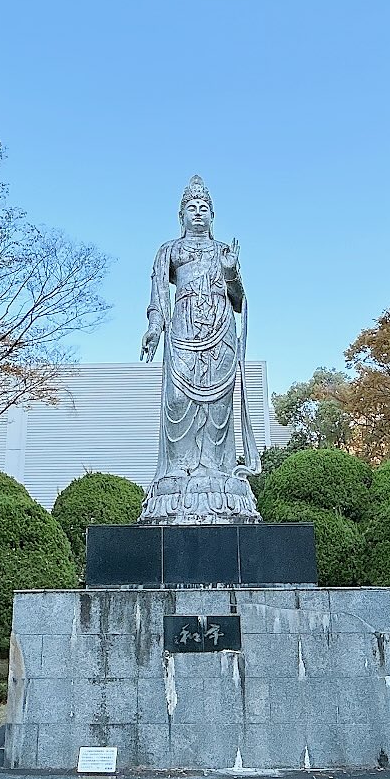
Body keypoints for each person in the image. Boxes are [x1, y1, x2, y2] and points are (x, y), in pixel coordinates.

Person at [138, 175, 261, 525]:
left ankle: (219, 471)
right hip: (183, 328)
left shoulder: (223, 250)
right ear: (181, 215)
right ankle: (178, 472)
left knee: (218, 406)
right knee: (179, 401)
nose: (197, 213)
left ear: (213, 215)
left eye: (203, 208)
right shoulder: (170, 250)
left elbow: (238, 300)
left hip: (221, 328)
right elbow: (160, 293)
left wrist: (232, 272)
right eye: (191, 208)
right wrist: (152, 327)